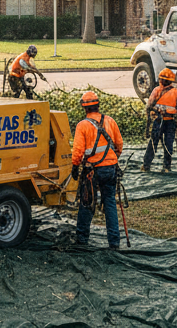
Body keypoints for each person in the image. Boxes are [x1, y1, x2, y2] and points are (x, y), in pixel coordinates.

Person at [71, 90, 124, 248]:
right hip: (110, 169)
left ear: (85, 108)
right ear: (98, 105)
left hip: (92, 171)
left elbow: (78, 150)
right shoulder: (110, 121)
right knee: (109, 203)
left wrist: (75, 166)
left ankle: (82, 239)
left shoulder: (82, 126)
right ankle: (114, 242)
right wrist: (112, 159)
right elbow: (119, 144)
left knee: (87, 203)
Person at [143, 67, 177, 173]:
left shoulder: (157, 90)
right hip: (170, 122)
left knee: (153, 144)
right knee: (168, 145)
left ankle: (146, 166)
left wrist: (152, 114)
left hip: (158, 122)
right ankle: (166, 167)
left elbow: (149, 106)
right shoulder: (175, 92)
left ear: (160, 80)